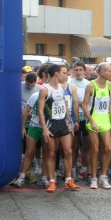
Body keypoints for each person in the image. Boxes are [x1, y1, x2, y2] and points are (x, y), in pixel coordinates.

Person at [38, 64, 80, 192]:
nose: (66, 75)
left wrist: (69, 122)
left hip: (62, 123)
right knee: (51, 153)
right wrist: (45, 128)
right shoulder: (45, 89)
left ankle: (68, 180)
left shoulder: (62, 87)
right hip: (51, 124)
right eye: (64, 73)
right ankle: (51, 181)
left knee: (68, 151)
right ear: (56, 73)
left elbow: (65, 105)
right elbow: (40, 110)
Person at [82, 62, 111, 189]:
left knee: (108, 148)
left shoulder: (110, 85)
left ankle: (103, 176)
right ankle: (94, 178)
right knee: (95, 149)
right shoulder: (91, 85)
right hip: (94, 120)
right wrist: (91, 121)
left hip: (105, 120)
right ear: (102, 73)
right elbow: (84, 105)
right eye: (109, 71)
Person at [69, 61, 91, 182]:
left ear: (84, 71)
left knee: (87, 145)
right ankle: (72, 170)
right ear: (73, 71)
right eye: (76, 70)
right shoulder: (70, 83)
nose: (78, 72)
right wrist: (81, 103)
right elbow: (72, 102)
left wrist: (81, 103)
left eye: (80, 70)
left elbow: (89, 102)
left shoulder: (88, 84)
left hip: (86, 117)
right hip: (74, 117)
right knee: (74, 145)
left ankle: (84, 168)